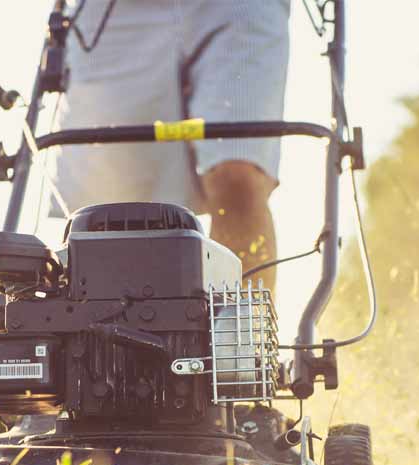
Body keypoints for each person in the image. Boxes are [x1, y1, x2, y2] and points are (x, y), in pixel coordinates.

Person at [53, 0, 291, 292]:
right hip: (113, 13)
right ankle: (117, 333)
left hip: (238, 8)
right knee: (109, 215)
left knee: (238, 175)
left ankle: (241, 332)